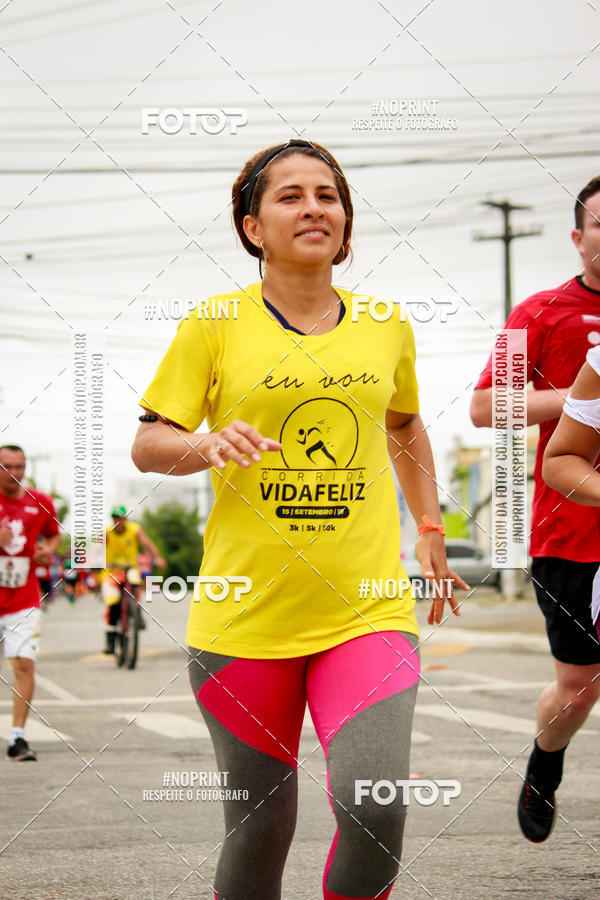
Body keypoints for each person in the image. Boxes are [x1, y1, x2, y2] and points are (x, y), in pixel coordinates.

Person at [132, 139, 466, 900]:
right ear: (252, 227)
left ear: (345, 224)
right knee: (259, 824)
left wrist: (431, 530)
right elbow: (150, 443)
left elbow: (405, 426)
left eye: (328, 194)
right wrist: (204, 441)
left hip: (367, 609)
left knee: (373, 806)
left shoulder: (386, 323)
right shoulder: (213, 324)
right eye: (290, 195)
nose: (314, 207)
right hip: (242, 619)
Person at [470, 174, 600, 842]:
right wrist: (585, 395)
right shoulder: (541, 312)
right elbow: (486, 407)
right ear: (579, 238)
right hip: (571, 529)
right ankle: (545, 764)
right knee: (578, 688)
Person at [0, 445, 60, 761]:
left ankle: (17, 738)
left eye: (19, 466)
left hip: (23, 598)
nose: (14, 473)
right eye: (6, 466)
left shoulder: (40, 502)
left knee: (23, 664)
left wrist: (48, 549)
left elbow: (53, 534)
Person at [543, 346, 600, 633]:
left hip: (582, 546)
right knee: (575, 679)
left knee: (579, 679)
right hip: (562, 542)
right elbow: (561, 460)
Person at [101, 505, 165, 654]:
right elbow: (96, 550)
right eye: (115, 518)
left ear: (125, 519)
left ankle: (136, 611)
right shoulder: (106, 533)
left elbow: (147, 543)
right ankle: (111, 641)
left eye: (120, 518)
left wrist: (157, 557)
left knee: (135, 582)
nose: (118, 521)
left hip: (131, 568)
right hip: (112, 571)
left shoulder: (135, 529)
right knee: (112, 600)